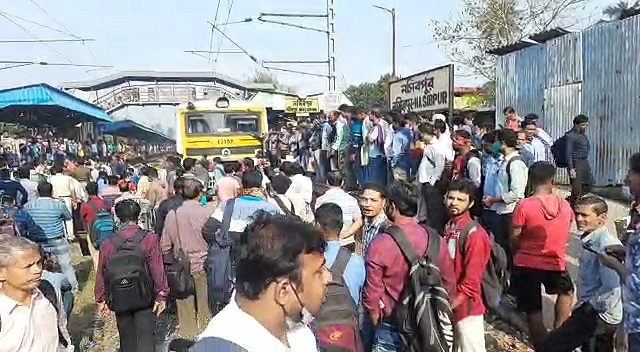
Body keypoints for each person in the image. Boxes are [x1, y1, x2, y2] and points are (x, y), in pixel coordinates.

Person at [194, 212, 327, 351]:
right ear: (283, 291)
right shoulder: (220, 347)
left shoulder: (298, 333)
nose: (328, 278)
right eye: (319, 272)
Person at [362, 180, 456, 351]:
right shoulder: (436, 239)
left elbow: (372, 294)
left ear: (392, 205)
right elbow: (449, 283)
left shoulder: (382, 243)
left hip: (392, 325)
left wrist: (376, 319)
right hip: (427, 325)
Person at [543, 196, 622, 352]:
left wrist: (587, 308)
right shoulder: (590, 240)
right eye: (577, 213)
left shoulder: (606, 246)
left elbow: (612, 291)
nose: (579, 219)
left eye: (585, 215)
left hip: (600, 314)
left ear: (602, 219)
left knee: (552, 345)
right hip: (592, 309)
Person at [511, 161, 574, 350]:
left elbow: (514, 237)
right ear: (553, 181)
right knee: (566, 292)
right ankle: (558, 333)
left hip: (526, 261)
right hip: (556, 261)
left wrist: (519, 250)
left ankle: (542, 346)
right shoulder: (564, 205)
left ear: (530, 179)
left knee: (533, 308)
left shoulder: (524, 205)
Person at [94, 200, 168, 352]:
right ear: (138, 215)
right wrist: (162, 294)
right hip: (144, 295)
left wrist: (100, 298)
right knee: (146, 338)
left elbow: (102, 271)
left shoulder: (108, 243)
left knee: (126, 338)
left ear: (118, 217)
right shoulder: (150, 238)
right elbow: (157, 268)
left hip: (119, 296)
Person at [443, 178, 492, 351]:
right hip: (451, 303)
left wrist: (451, 305)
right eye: (451, 198)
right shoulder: (450, 226)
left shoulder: (474, 234)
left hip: (467, 309)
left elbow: (472, 281)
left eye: (460, 200)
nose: (454, 203)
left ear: (470, 203)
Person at [161, 179, 213, 337]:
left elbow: (164, 246)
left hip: (181, 268)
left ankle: (188, 340)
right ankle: (206, 339)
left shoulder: (173, 214)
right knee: (206, 308)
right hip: (204, 265)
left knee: (185, 309)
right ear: (200, 193)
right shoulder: (209, 211)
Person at [0, 236, 66, 351]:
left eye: (39, 263)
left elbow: (62, 329)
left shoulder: (49, 292)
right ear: (2, 273)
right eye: (28, 266)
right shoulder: (3, 312)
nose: (37, 270)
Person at [482, 128, 528, 261]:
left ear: (502, 143)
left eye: (495, 142)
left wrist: (494, 200)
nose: (493, 145)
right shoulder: (505, 161)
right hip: (500, 212)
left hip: (510, 213)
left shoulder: (516, 163)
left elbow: (516, 193)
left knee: (508, 250)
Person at [23, 182, 78, 293]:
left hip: (37, 241)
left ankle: (41, 290)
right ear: (52, 191)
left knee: (40, 268)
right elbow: (68, 217)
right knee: (66, 266)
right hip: (57, 240)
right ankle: (73, 289)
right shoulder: (58, 204)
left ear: (38, 192)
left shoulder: (28, 206)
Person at [315, 203, 365, 304]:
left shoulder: (311, 260)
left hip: (320, 317)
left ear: (318, 226)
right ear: (341, 227)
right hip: (349, 317)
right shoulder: (357, 261)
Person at [314, 171, 362, 251]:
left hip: (328, 242)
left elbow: (318, 221)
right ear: (343, 182)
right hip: (347, 243)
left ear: (327, 182)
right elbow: (359, 221)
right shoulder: (351, 200)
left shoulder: (320, 200)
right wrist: (346, 234)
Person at [566, 114, 593, 206]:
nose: (585, 127)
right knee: (577, 188)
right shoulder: (570, 136)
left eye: (586, 125)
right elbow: (568, 153)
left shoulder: (583, 135)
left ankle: (572, 200)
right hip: (575, 162)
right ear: (576, 124)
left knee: (589, 185)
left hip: (584, 162)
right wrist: (571, 168)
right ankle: (574, 205)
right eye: (583, 125)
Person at [359, 182, 391, 256]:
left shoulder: (387, 229)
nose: (367, 204)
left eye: (373, 200)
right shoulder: (364, 223)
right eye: (364, 199)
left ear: (383, 202)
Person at [49, 164, 77, 240]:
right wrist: (74, 201)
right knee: (69, 218)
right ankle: (71, 235)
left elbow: (50, 190)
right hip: (67, 198)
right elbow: (72, 191)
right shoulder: (68, 178)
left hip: (56, 199)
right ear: (62, 170)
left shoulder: (51, 178)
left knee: (58, 217)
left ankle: (62, 234)